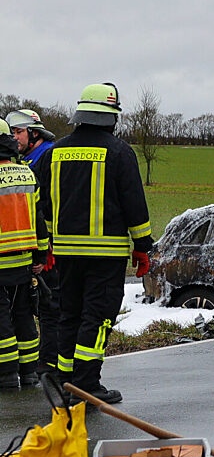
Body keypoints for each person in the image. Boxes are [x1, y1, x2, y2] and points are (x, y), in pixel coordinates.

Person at [35, 83, 153, 403]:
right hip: (105, 256)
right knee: (97, 317)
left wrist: (48, 243)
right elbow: (135, 206)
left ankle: (66, 380)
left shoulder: (54, 152)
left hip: (64, 254)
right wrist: (142, 246)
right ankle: (87, 385)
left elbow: (43, 204)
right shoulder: (119, 153)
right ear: (111, 117)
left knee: (69, 314)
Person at [5, 109, 58, 379]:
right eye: (11, 133)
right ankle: (39, 365)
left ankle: (49, 362)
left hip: (48, 246)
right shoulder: (27, 161)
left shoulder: (45, 157)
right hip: (36, 249)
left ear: (34, 133)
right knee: (34, 309)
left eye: (18, 132)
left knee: (49, 306)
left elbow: (44, 208)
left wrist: (45, 248)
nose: (14, 138)